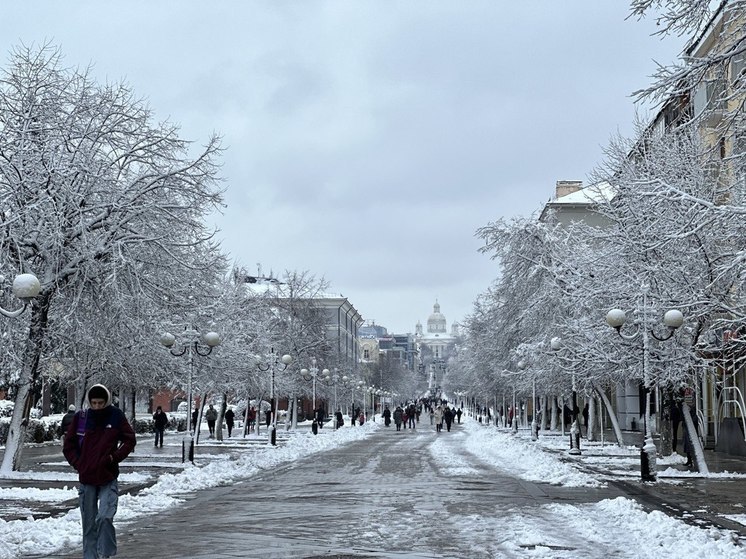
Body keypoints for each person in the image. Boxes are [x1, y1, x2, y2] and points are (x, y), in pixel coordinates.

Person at [63, 384, 136, 559]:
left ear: (107, 401)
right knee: (88, 524)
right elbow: (69, 445)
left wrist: (114, 458)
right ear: (89, 401)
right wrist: (78, 463)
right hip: (87, 477)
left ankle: (106, 554)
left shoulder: (115, 416)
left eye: (100, 403)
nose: (97, 406)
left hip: (107, 476)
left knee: (105, 517)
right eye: (94, 403)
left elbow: (130, 440)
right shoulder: (82, 417)